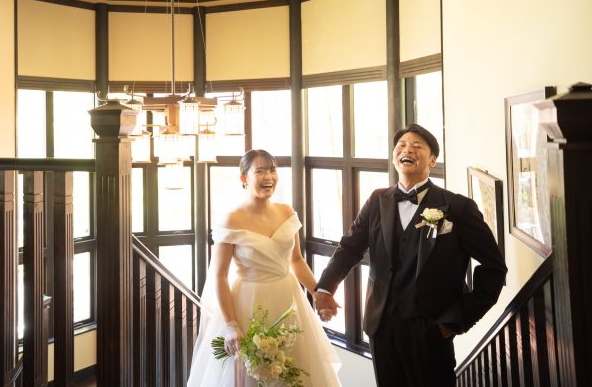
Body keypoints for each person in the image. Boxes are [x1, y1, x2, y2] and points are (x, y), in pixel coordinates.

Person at [315, 124, 507, 387]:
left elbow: (494, 268)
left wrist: (458, 319)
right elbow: (350, 248)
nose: (407, 150)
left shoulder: (458, 207)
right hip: (381, 327)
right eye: (402, 145)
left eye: (417, 146)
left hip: (432, 329)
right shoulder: (376, 200)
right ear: (395, 156)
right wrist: (326, 287)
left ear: (432, 160)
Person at [187, 149, 341, 386]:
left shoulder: (286, 212)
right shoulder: (231, 219)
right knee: (251, 373)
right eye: (259, 171)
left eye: (272, 170)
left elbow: (296, 261)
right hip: (248, 303)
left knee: (295, 369)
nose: (268, 176)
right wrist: (231, 325)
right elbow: (219, 276)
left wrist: (318, 294)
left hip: (289, 301)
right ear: (244, 178)